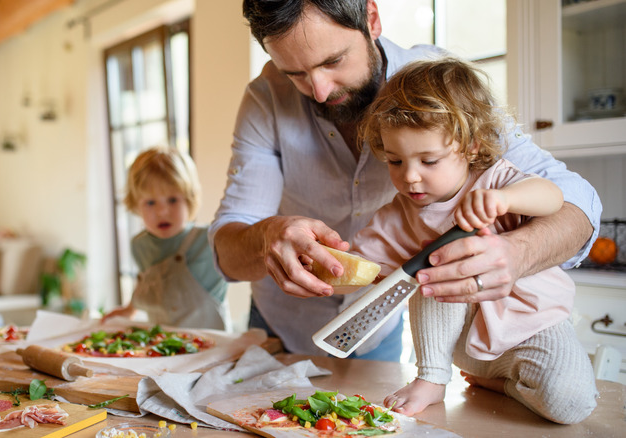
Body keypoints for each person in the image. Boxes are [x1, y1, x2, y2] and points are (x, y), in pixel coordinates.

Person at [208, 0, 601, 359]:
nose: (320, 90)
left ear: (372, 18)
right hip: (280, 319)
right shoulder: (265, 100)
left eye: (334, 61)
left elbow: (577, 200)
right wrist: (266, 237)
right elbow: (228, 246)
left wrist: (519, 253)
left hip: (378, 327)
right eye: (295, 73)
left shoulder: (441, 89)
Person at [352, 57, 597, 424]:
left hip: (533, 328)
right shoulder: (397, 214)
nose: (410, 178)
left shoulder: (498, 179)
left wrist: (506, 200)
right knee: (435, 263)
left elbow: (554, 197)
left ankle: (503, 384)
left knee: (570, 404)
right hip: (460, 345)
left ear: (470, 146)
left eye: (428, 160)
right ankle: (432, 379)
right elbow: (359, 262)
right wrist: (322, 262)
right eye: (395, 161)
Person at [102, 146, 231, 331]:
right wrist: (130, 309)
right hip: (164, 347)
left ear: (189, 199)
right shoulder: (139, 246)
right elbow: (145, 283)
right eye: (150, 202)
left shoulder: (209, 240)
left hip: (212, 348)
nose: (162, 211)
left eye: (172, 200)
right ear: (136, 205)